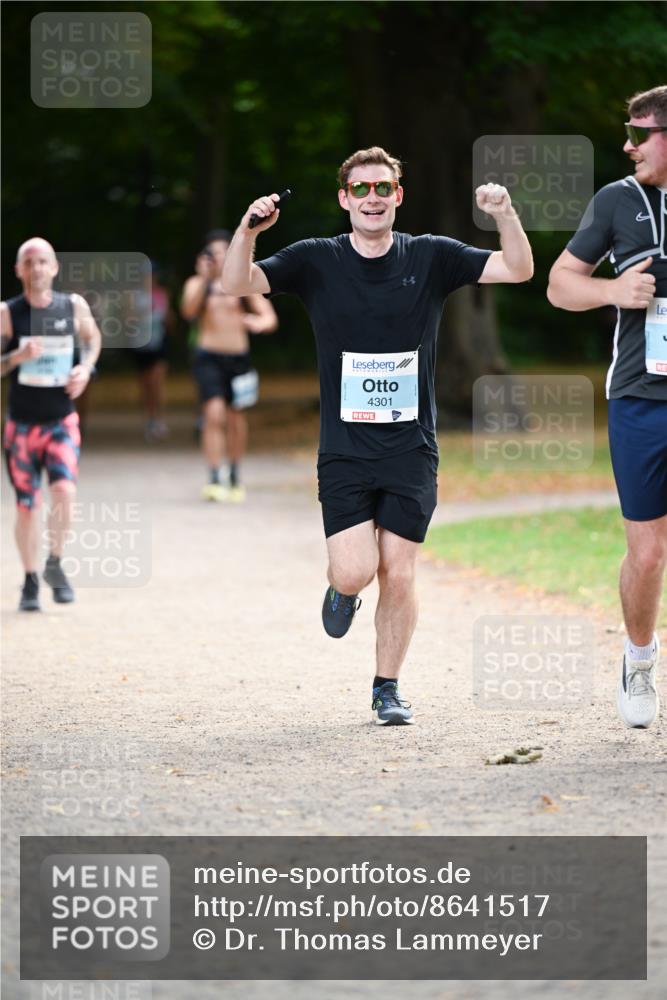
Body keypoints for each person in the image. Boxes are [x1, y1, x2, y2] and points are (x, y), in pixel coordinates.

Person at [222, 147, 533, 725]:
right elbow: (236, 282)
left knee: (401, 567)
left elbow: (518, 269)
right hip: (344, 448)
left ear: (398, 196)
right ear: (344, 198)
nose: (372, 198)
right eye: (361, 189)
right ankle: (341, 589)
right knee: (356, 569)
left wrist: (506, 214)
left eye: (383, 188)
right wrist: (249, 229)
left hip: (411, 446)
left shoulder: (432, 256)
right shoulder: (317, 260)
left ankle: (386, 687)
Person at [548, 86, 667, 730]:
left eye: (639, 133)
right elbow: (559, 284)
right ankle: (639, 658)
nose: (627, 144)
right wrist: (616, 289)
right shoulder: (617, 200)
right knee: (647, 554)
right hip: (640, 399)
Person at [1, 237, 102, 611]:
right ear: (19, 270)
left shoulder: (72, 306)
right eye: (29, 262)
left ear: (55, 267)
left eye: (43, 261)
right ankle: (29, 581)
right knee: (27, 505)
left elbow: (93, 340)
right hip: (22, 427)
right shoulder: (8, 313)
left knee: (64, 493)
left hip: (61, 421)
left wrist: (85, 369)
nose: (37, 268)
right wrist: (16, 356)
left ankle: (55, 565)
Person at [181, 229, 278, 502]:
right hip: (208, 357)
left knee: (236, 419)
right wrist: (204, 278)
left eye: (223, 251)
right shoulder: (197, 284)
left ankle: (234, 473)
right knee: (214, 415)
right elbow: (188, 311)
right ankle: (214, 477)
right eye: (212, 252)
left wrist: (258, 323)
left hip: (239, 360)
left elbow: (269, 317)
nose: (218, 257)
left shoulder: (241, 284)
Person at [133, 261, 174, 443]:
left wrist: (166, 319)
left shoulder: (162, 294)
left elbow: (170, 321)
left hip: (159, 344)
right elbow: (127, 320)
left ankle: (159, 419)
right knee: (146, 385)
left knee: (158, 383)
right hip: (141, 345)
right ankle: (149, 419)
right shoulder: (134, 296)